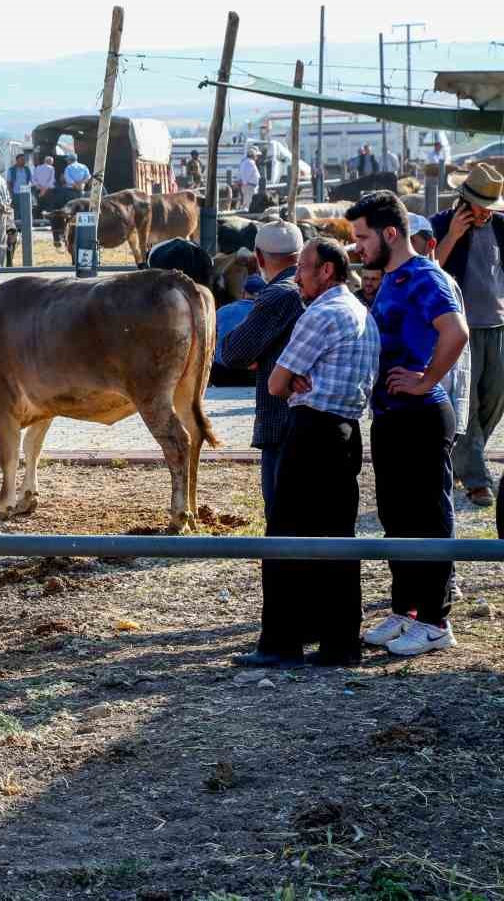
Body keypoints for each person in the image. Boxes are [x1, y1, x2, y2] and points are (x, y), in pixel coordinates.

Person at [234, 237, 380, 668]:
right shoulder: (360, 313)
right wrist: (295, 374)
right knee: (338, 538)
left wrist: (291, 376)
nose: (297, 277)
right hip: (345, 431)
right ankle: (339, 643)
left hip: (311, 431)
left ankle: (282, 641)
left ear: (327, 271)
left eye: (304, 268)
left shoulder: (320, 315)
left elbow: (277, 384)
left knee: (285, 537)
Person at [347, 190, 468, 657]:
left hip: (421, 414)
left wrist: (425, 379)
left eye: (362, 237)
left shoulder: (423, 277)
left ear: (390, 233)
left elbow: (455, 331)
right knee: (397, 516)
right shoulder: (393, 278)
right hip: (392, 417)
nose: (357, 247)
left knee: (427, 517)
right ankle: (406, 610)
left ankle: (437, 621)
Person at [218, 221, 307, 521]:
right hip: (320, 419)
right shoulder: (321, 289)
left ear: (258, 255)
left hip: (282, 421)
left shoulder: (277, 295)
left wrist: (260, 350)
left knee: (282, 517)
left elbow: (233, 353)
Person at [430, 163, 504, 506]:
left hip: (498, 324)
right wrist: (452, 238)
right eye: (480, 204)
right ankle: (477, 478)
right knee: (469, 403)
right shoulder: (442, 224)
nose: (486, 212)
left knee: (494, 397)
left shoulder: (501, 227)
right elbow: (430, 270)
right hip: (460, 327)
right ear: (465, 200)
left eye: (490, 205)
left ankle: (464, 457)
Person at [410, 211, 471, 441]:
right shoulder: (397, 279)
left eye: (412, 241)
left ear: (430, 244)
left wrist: (426, 382)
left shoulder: (439, 283)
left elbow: (457, 343)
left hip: (433, 397)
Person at [236, 148, 262, 213]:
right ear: (253, 155)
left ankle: (245, 213)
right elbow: (246, 174)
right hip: (249, 186)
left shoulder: (245, 161)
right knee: (249, 203)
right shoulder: (250, 162)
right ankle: (246, 215)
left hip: (249, 186)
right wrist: (245, 183)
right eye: (256, 155)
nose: (257, 157)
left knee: (246, 202)